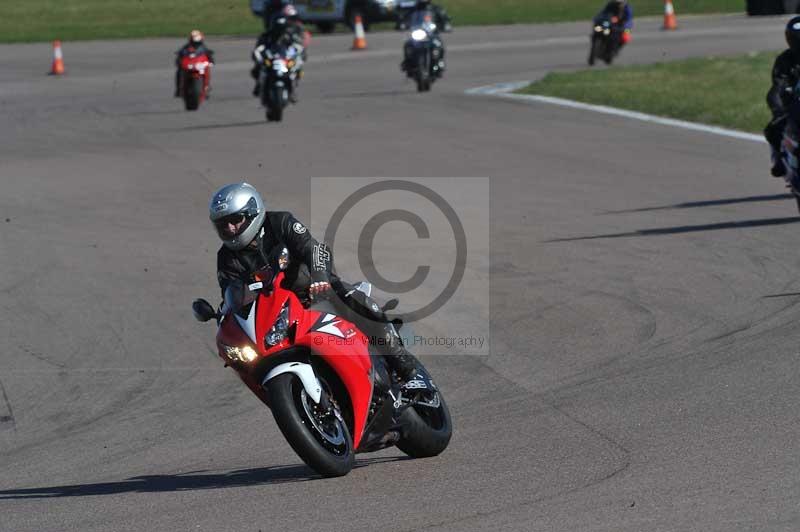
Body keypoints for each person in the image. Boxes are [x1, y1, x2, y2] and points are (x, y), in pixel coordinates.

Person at [209, 182, 418, 382]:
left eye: (235, 219)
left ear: (252, 213)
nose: (230, 228)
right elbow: (231, 293)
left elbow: (314, 249)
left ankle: (405, 367)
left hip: (316, 290)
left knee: (356, 302)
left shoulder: (280, 222)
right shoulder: (226, 258)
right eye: (223, 225)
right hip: (278, 311)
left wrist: (320, 278)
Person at [765, 16, 800, 177]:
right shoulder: (784, 60)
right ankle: (778, 159)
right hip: (795, 105)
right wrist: (778, 111)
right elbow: (777, 88)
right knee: (773, 129)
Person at [251, 3, 306, 101]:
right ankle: (259, 85)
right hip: (271, 57)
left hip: (285, 58)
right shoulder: (267, 36)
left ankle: (292, 89)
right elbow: (258, 49)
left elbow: (298, 47)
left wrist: (299, 55)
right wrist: (258, 55)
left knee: (297, 69)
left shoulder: (290, 35)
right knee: (258, 68)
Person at [399, 0, 452, 74]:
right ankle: (407, 63)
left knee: (439, 45)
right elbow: (404, 18)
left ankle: (439, 62)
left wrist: (446, 24)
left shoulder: (435, 8)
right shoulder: (413, 9)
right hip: (418, 32)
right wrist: (402, 24)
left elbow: (444, 17)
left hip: (432, 34)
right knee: (408, 45)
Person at [174, 30, 215, 98]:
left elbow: (208, 54)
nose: (195, 42)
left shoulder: (203, 47)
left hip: (199, 65)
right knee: (180, 71)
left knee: (207, 69)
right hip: (189, 65)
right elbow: (180, 54)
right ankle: (179, 88)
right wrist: (179, 60)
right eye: (194, 38)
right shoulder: (186, 47)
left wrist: (211, 60)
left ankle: (206, 87)